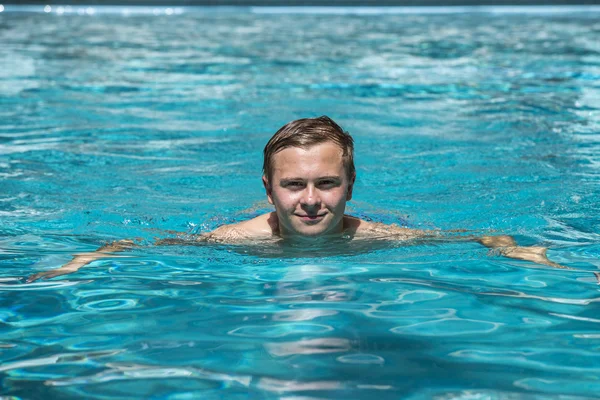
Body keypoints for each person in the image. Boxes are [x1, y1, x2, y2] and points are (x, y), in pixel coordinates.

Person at [27, 116, 566, 283]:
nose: (310, 200)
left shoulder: (379, 239)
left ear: (351, 186)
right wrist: (81, 262)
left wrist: (528, 254)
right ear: (268, 189)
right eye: (293, 185)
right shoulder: (233, 241)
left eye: (326, 183)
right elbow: (137, 244)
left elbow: (480, 235)